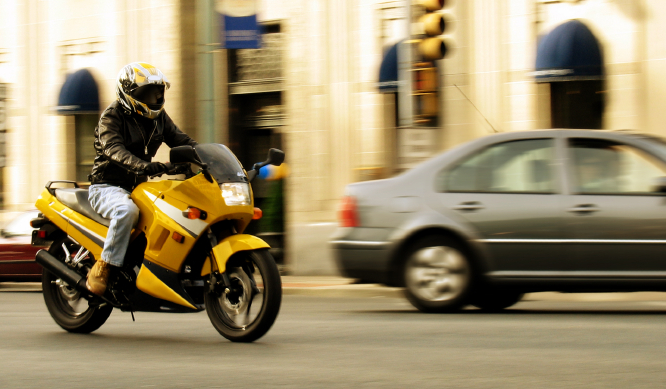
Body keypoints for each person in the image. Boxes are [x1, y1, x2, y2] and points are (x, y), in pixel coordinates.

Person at [86, 62, 197, 296]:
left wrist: (211, 157)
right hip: (107, 186)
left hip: (140, 187)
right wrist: (145, 166)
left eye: (158, 92)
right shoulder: (111, 117)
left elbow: (183, 141)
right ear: (130, 94)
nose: (155, 97)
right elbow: (114, 149)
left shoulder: (159, 118)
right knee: (126, 211)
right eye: (148, 92)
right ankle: (104, 266)